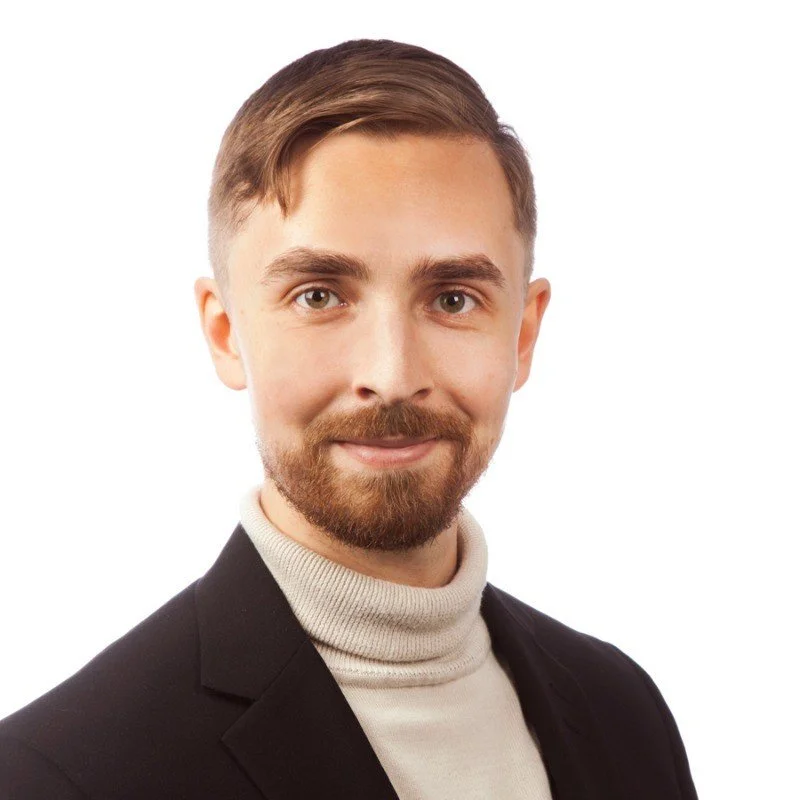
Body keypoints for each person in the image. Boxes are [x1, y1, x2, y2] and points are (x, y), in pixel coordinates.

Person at [0, 38, 697, 799]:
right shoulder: (60, 774)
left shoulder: (624, 713)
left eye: (453, 298)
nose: (391, 376)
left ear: (522, 336)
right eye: (320, 296)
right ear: (225, 333)